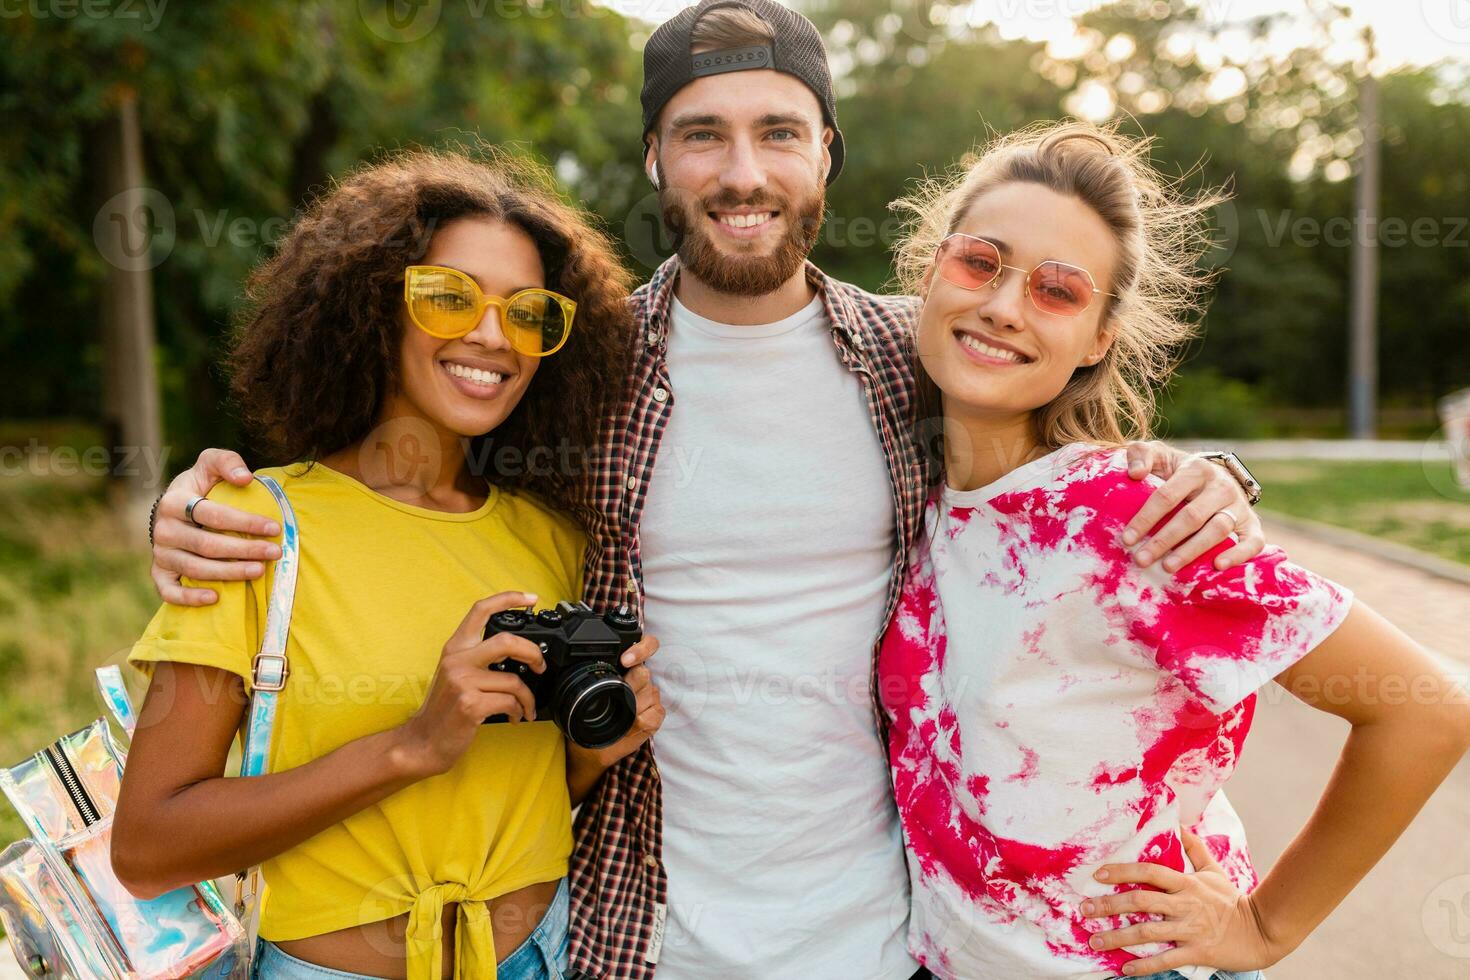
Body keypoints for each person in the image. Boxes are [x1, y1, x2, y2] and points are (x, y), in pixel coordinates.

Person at [141, 3, 1267, 977]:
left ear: (826, 151)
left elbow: (1049, 460)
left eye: (779, 131)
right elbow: (408, 456)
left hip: (881, 930)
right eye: (701, 135)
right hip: (632, 932)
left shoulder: (909, 361)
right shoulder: (574, 369)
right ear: (653, 158)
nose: (742, 172)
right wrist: (199, 497)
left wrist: (1214, 476)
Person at [876, 121, 1470, 980]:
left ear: (1101, 338)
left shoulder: (1136, 521)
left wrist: (1266, 927)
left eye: (1058, 290)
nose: (1004, 305)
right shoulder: (912, 486)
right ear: (930, 271)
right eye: (979, 263)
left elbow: (1426, 710)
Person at [111, 149, 666, 980]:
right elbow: (149, 846)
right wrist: (412, 744)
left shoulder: (558, 539)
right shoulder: (257, 529)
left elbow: (516, 802)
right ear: (374, 308)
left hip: (540, 958)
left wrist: (591, 753)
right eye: (448, 298)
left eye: (528, 314)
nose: (491, 336)